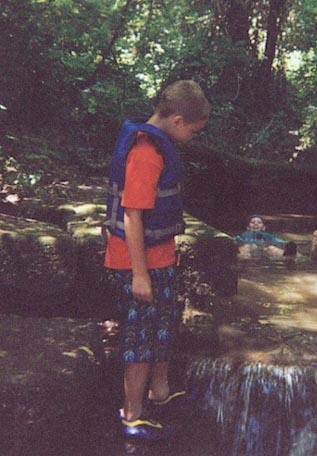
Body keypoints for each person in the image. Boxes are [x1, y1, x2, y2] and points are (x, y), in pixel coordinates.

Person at [104, 80, 210, 440]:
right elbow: (132, 216)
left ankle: (159, 395)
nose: (194, 137)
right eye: (194, 131)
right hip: (138, 263)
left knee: (162, 326)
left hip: (160, 258)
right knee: (141, 337)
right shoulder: (146, 153)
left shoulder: (159, 146)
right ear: (178, 120)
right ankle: (132, 415)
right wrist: (140, 275)